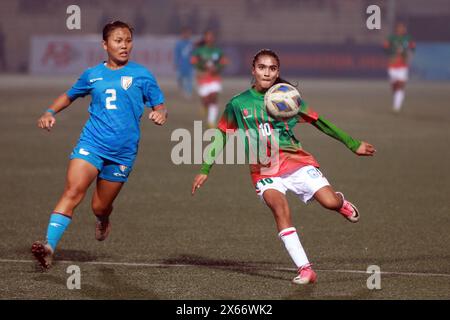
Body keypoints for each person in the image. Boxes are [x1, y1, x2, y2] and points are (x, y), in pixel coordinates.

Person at [191, 49, 376, 285]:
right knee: (279, 208)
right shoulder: (238, 104)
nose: (267, 73)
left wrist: (353, 144)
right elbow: (222, 135)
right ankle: (306, 269)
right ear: (253, 70)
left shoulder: (288, 96)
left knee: (329, 202)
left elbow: (320, 122)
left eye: (272, 68)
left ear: (278, 71)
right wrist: (205, 168)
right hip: (264, 170)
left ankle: (341, 203)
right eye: (262, 67)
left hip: (296, 161)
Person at [31, 21, 168, 270]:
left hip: (123, 153)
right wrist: (50, 111)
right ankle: (49, 247)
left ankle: (103, 219)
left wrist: (160, 114)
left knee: (99, 205)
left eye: (128, 40)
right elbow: (70, 94)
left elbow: (159, 105)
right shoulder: (92, 74)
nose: (124, 45)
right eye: (118, 40)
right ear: (105, 44)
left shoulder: (142, 74)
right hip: (91, 143)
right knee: (72, 192)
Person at [191, 30, 228, 128]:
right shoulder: (199, 50)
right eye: (208, 36)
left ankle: (211, 121)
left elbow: (224, 62)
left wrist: (217, 68)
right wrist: (203, 67)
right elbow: (193, 61)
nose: (210, 38)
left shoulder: (217, 51)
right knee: (206, 100)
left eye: (211, 36)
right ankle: (204, 106)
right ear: (205, 37)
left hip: (215, 78)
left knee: (214, 97)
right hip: (203, 78)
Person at [383, 22, 416, 113]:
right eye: (400, 27)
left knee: (400, 85)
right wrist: (391, 56)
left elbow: (413, 49)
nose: (401, 29)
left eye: (403, 27)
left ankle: (396, 107)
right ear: (396, 28)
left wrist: (408, 57)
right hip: (392, 66)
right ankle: (397, 99)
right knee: (394, 87)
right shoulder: (391, 38)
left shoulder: (408, 38)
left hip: (403, 66)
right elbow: (385, 49)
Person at [174, 27, 194, 98]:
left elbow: (194, 54)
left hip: (190, 66)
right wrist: (176, 63)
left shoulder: (191, 43)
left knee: (189, 80)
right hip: (181, 65)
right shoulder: (179, 44)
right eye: (185, 33)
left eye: (188, 33)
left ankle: (188, 93)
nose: (187, 35)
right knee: (179, 79)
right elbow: (176, 54)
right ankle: (181, 91)